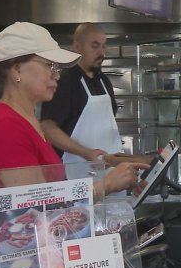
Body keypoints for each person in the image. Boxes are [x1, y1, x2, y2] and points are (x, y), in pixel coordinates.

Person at [0, 21, 147, 268]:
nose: (56, 76)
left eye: (57, 69)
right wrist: (106, 186)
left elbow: (48, 196)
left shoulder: (28, 121)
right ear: (16, 69)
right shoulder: (6, 125)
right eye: (48, 66)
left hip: (35, 260)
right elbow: (30, 210)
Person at [40, 23, 131, 166]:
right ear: (77, 47)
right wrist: (85, 152)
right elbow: (47, 128)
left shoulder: (104, 81)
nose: (101, 53)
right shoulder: (66, 81)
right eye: (95, 46)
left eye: (103, 46)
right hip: (75, 172)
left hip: (109, 170)